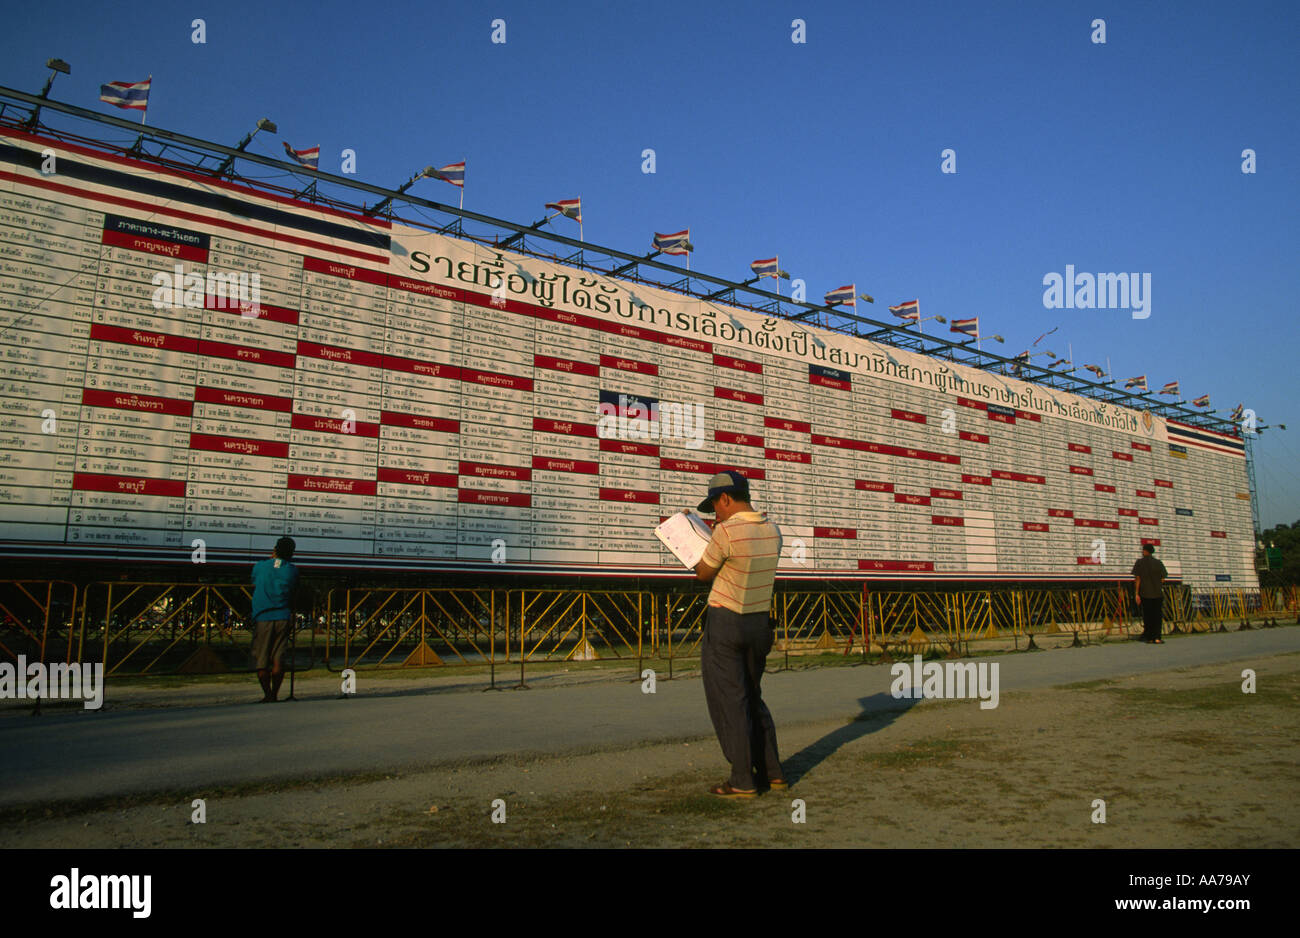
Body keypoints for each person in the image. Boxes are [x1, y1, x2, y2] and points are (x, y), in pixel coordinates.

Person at [692, 470, 784, 798]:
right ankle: (773, 772)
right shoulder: (773, 530)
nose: (715, 512)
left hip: (726, 622)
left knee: (730, 700)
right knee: (752, 695)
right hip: (759, 623)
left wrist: (693, 553)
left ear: (727, 498)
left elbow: (704, 573)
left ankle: (743, 779)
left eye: (715, 504)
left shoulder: (726, 532)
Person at [251, 536, 300, 701]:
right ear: (292, 553)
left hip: (262, 617)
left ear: (274, 550)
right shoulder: (292, 570)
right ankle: (275, 694)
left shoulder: (260, 567)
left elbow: (254, 580)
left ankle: (267, 694)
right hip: (283, 617)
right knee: (279, 658)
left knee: (262, 659)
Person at [1131, 543, 1168, 644]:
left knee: (1147, 616)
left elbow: (1137, 579)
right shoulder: (1158, 563)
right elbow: (1163, 579)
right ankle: (1157, 638)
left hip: (1145, 594)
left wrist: (1137, 593)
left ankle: (1150, 638)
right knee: (1157, 616)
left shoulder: (1139, 563)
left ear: (1145, 551)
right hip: (1157, 594)